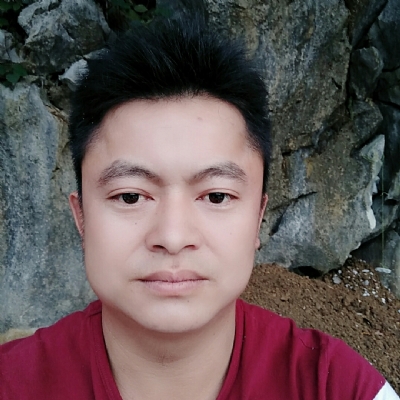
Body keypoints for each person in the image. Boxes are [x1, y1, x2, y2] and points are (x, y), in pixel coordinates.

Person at [0, 10, 399, 400]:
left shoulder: (338, 387)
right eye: (130, 196)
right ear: (81, 216)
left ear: (258, 217)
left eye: (216, 196)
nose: (173, 237)